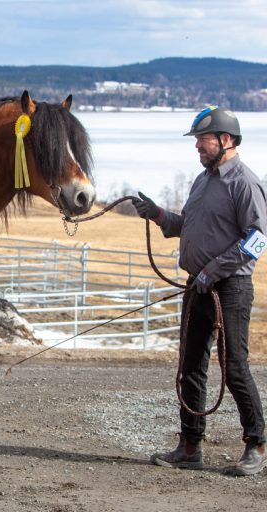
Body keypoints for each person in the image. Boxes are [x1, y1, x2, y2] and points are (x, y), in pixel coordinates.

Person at [133, 106, 267, 476]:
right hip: (199, 286)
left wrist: (215, 270)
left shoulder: (245, 182)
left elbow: (257, 240)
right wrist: (158, 214)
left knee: (235, 368)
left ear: (226, 140)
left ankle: (256, 443)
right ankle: (190, 447)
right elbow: (186, 225)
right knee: (190, 368)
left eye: (202, 140)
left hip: (230, 289)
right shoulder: (202, 181)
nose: (197, 147)